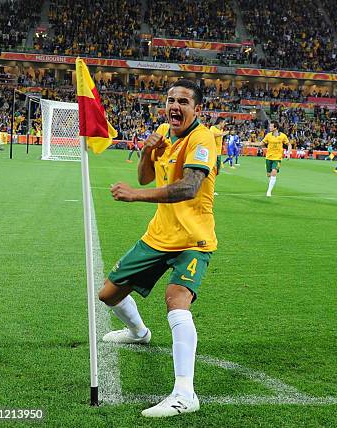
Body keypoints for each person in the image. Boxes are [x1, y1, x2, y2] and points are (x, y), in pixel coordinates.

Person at [98, 79, 217, 417]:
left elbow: (189, 188)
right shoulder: (165, 130)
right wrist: (148, 151)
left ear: (197, 109)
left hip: (194, 239)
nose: (174, 106)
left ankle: (184, 393)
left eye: (183, 101)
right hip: (158, 236)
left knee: (176, 300)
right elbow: (146, 177)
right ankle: (139, 333)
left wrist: (135, 197)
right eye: (170, 100)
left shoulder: (201, 138)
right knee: (108, 294)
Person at [262, 121, 291, 197]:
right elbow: (261, 143)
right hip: (269, 157)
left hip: (277, 158)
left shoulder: (283, 136)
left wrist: (288, 153)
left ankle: (269, 192)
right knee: (269, 174)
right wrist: (250, 143)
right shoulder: (268, 135)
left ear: (275, 128)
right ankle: (270, 185)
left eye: (271, 126)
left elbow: (289, 144)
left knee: (274, 173)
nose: (269, 127)